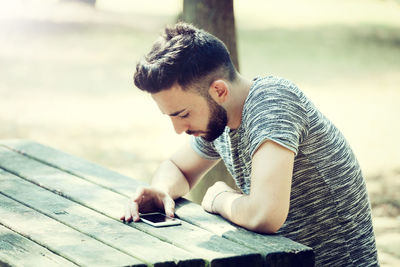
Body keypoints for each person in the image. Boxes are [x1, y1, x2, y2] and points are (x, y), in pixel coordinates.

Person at [120, 22, 379, 266]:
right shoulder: (220, 121)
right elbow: (177, 166)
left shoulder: (272, 102)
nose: (178, 130)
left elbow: (264, 215)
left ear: (219, 91)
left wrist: (219, 198)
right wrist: (161, 189)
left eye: (183, 114)